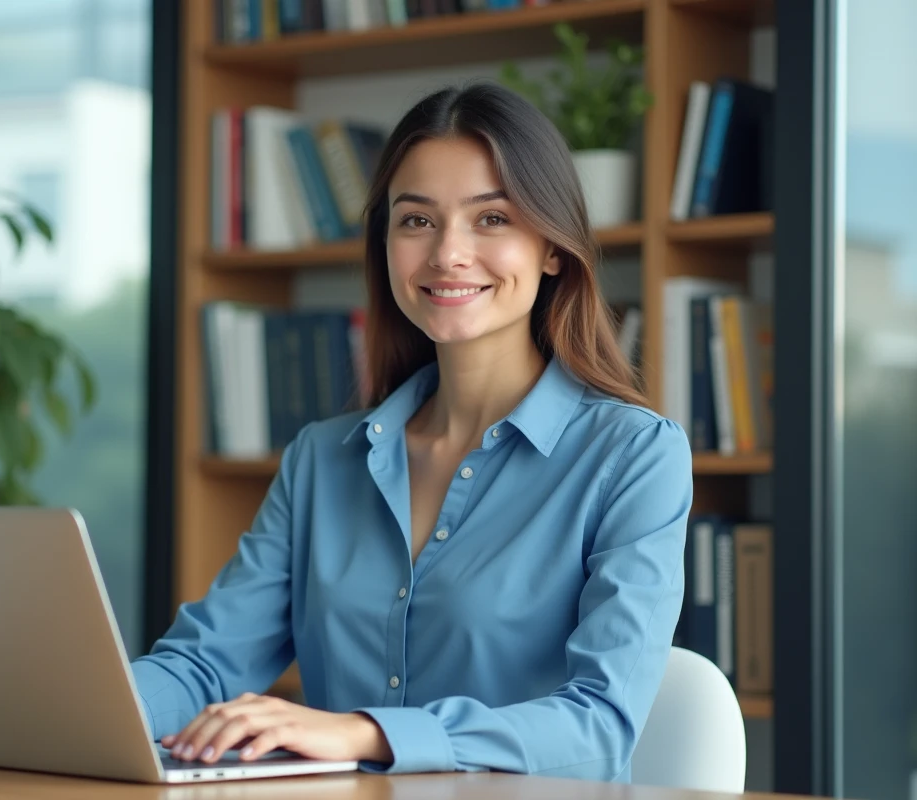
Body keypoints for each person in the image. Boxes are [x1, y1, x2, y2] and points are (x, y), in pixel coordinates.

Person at [130, 82, 692, 781]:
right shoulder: (321, 461)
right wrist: (79, 710)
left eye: (491, 219)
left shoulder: (633, 456)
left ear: (551, 247)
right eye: (416, 221)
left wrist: (367, 734)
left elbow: (599, 726)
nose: (447, 254)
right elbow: (205, 663)